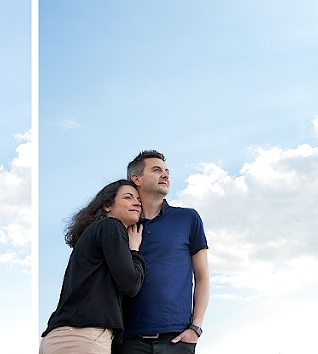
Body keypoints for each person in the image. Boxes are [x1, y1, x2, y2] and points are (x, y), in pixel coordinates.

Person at [117, 150, 210, 354]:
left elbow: (202, 277)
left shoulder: (188, 219)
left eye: (167, 171)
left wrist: (195, 328)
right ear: (136, 178)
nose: (166, 175)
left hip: (177, 339)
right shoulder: (119, 226)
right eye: (157, 170)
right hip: (128, 340)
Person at [40, 179, 146, 354]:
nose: (137, 202)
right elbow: (131, 284)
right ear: (107, 206)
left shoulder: (92, 235)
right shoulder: (111, 225)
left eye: (138, 200)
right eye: (128, 197)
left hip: (57, 338)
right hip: (84, 337)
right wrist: (135, 251)